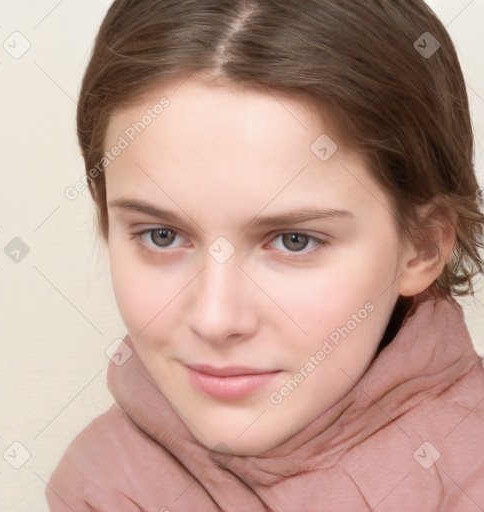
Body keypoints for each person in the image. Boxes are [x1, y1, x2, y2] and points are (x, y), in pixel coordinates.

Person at [47, 0, 484, 510]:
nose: (215, 319)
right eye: (161, 235)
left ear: (423, 245)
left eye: (294, 241)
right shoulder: (97, 485)